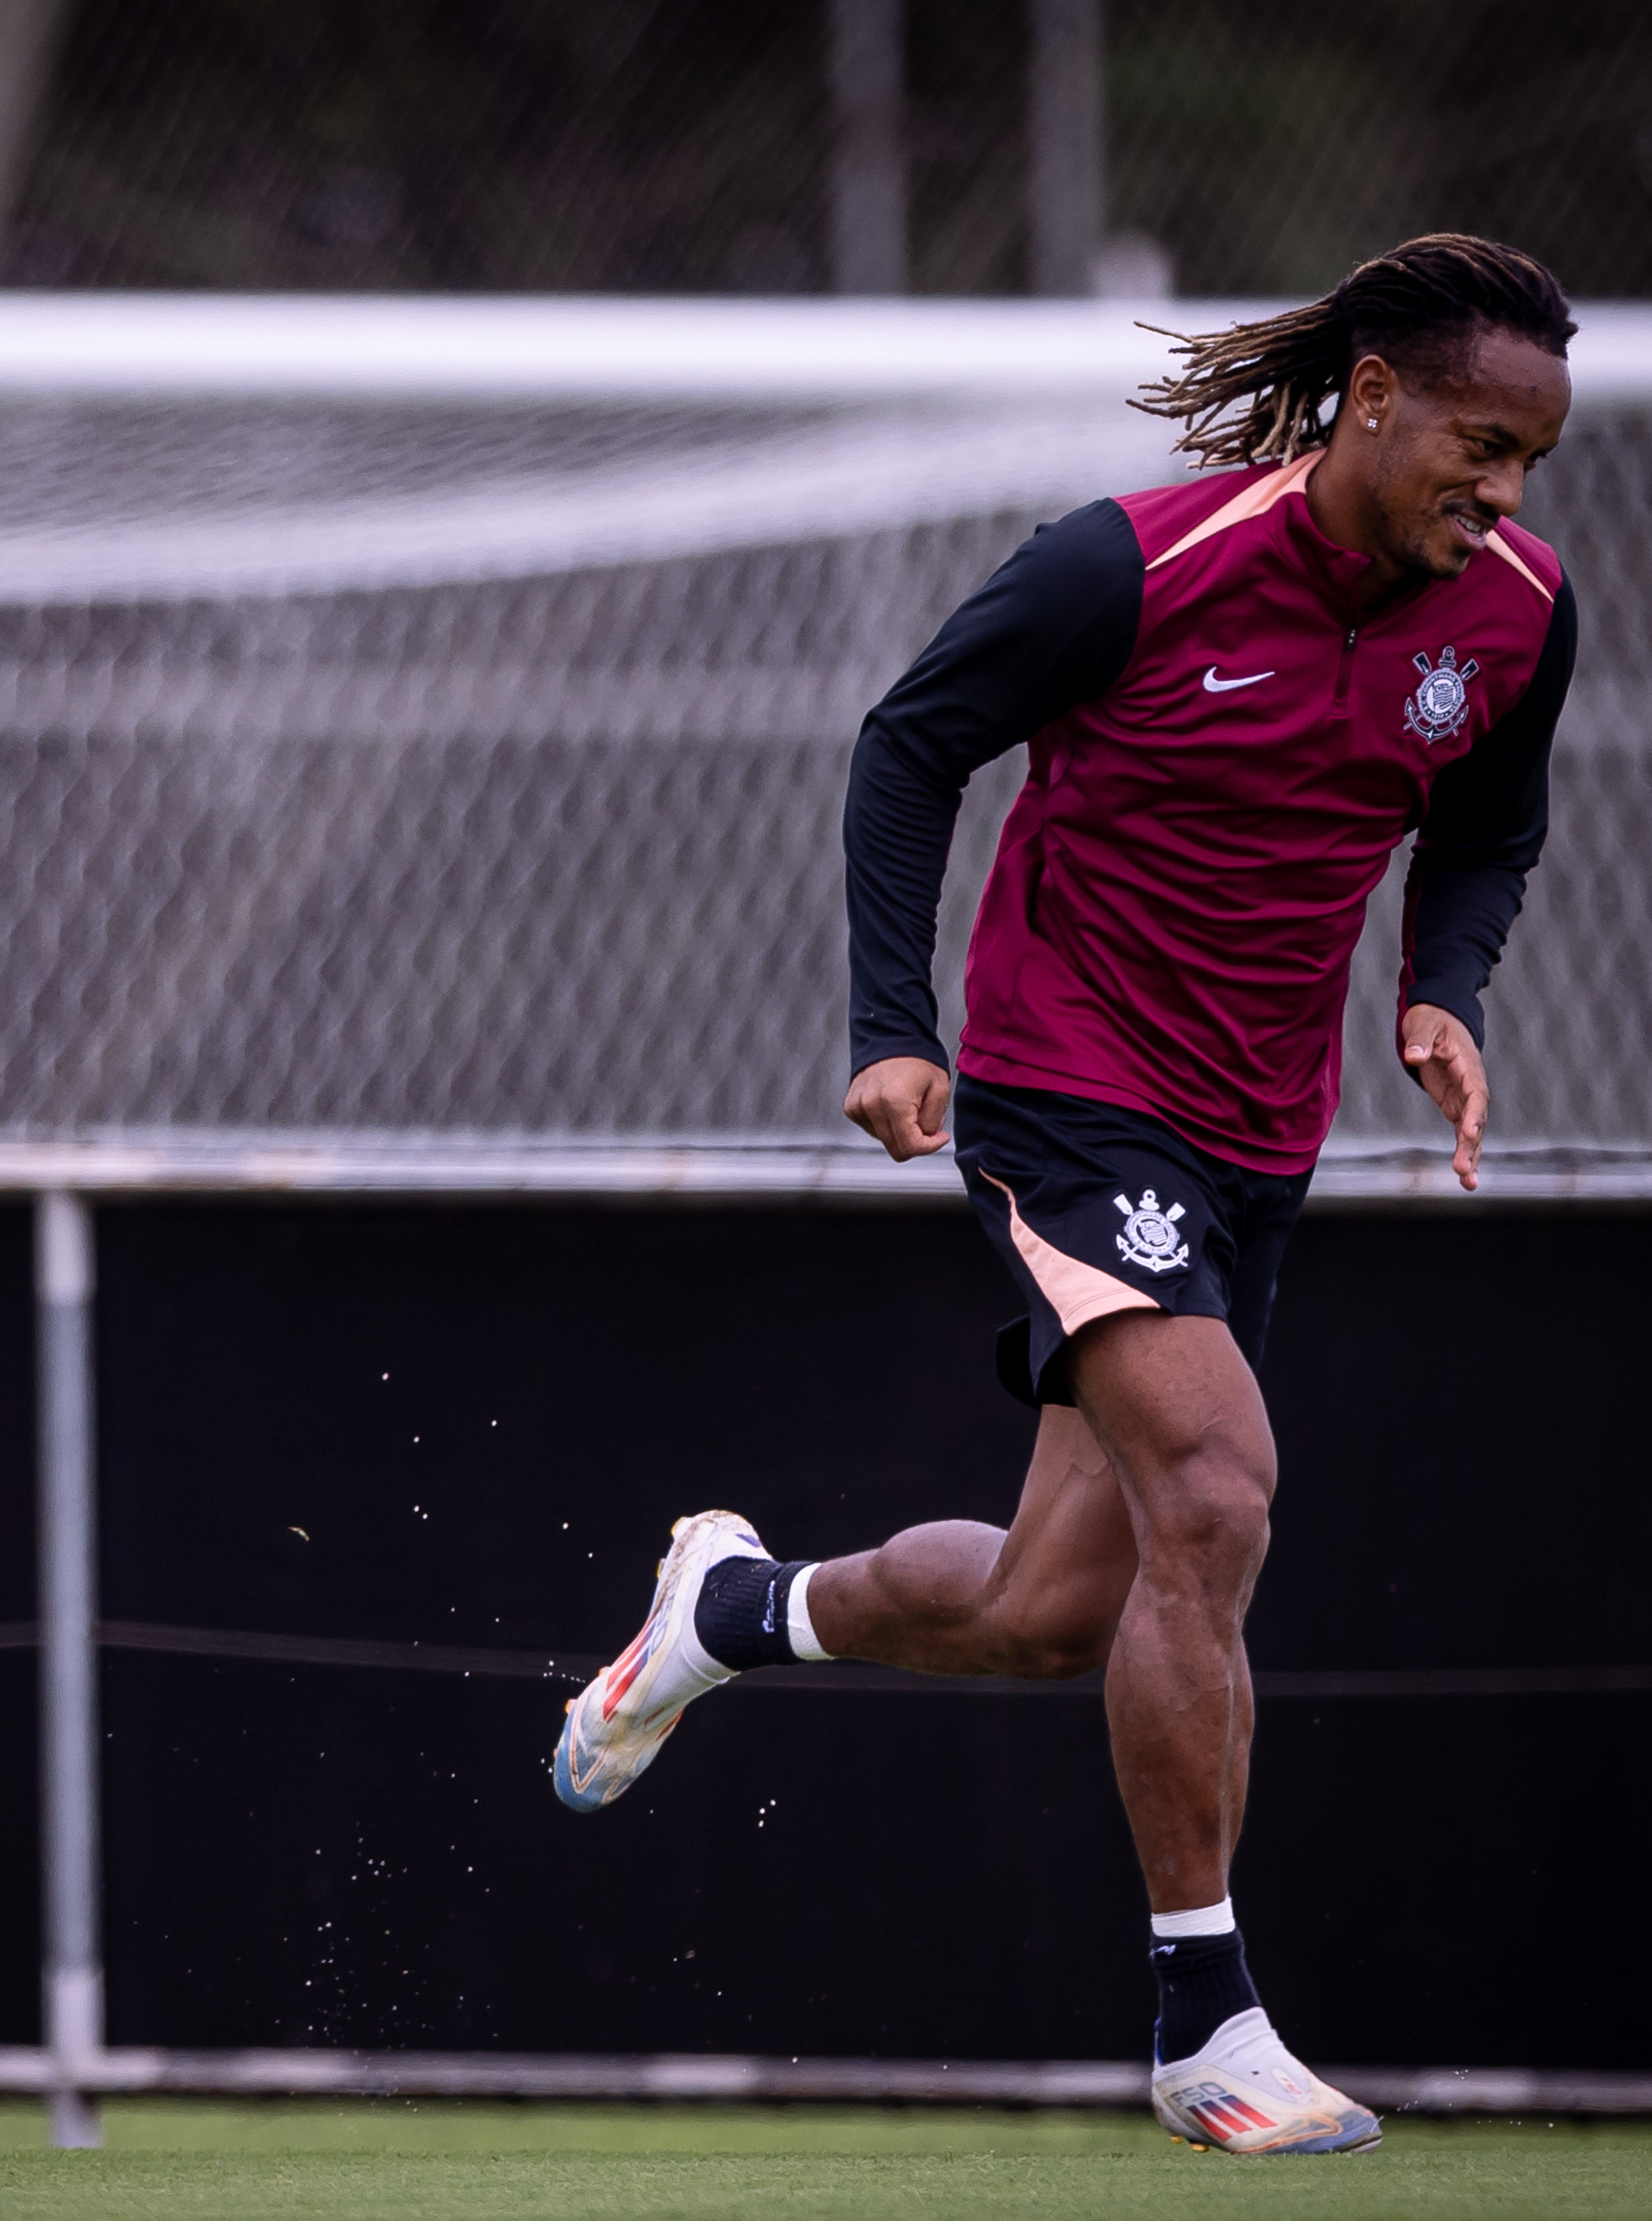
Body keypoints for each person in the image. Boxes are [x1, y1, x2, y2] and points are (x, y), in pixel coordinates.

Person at [550, 234, 1579, 2158]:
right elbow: (909, 745)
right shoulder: (1128, 564)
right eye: (1480, 442)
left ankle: (730, 1606)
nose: (1505, 489)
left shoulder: (1515, 609)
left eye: (1533, 457)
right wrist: (890, 1019)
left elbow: (1493, 824)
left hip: (1262, 1128)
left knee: (1054, 1611)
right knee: (1217, 1483)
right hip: (1069, 1083)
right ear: (1372, 395)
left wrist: (1446, 986)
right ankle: (1209, 2018)